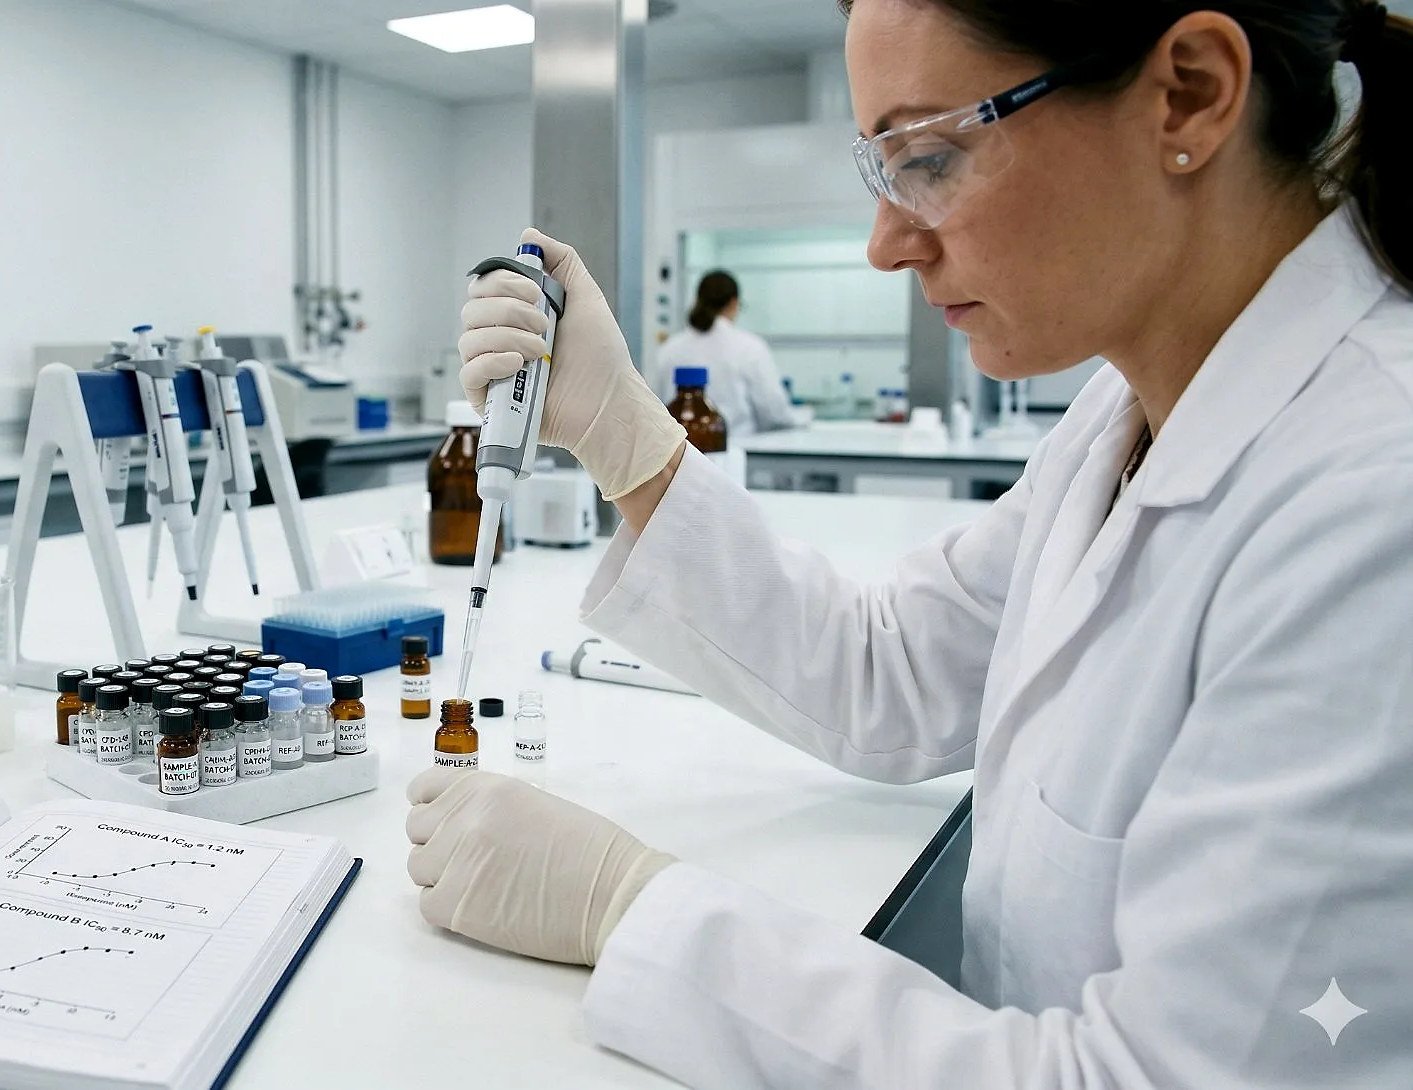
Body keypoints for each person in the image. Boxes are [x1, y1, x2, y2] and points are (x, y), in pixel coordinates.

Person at [416, 1, 1413, 1087]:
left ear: (1188, 92)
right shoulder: (1121, 411)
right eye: (878, 169)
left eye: (930, 156)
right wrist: (624, 435)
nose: (885, 241)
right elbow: (888, 665)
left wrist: (632, 907)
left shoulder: (1371, 505)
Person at [652, 271, 800, 433]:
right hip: (740, 449)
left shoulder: (669, 348)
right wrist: (801, 419)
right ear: (733, 303)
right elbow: (775, 413)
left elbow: (655, 407)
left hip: (683, 452)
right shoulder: (749, 347)